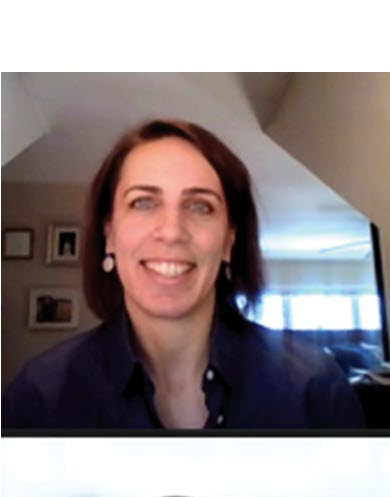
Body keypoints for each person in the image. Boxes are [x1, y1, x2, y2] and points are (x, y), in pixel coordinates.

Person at [2, 119, 364, 429]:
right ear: (109, 234)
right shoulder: (41, 395)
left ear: (228, 241)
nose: (171, 231)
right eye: (143, 202)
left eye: (200, 206)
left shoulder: (314, 388)